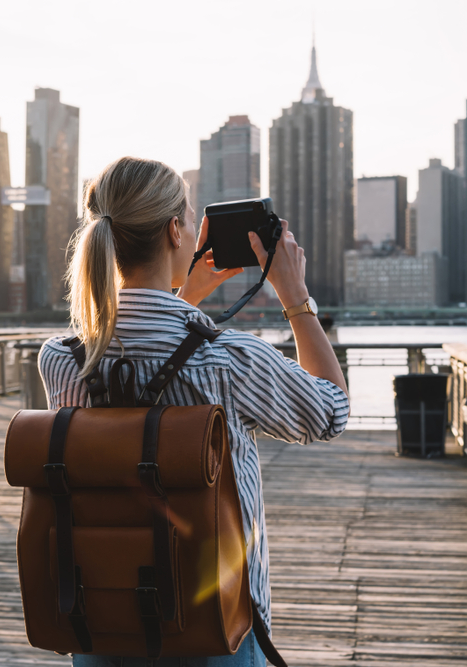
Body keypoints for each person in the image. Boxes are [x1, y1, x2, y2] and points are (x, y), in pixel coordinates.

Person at [38, 157, 349, 667]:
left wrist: (182, 298)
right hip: (214, 624)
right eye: (187, 214)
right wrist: (295, 296)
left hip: (100, 613)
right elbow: (330, 412)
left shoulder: (63, 359)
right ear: (175, 231)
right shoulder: (228, 357)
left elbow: (127, 405)